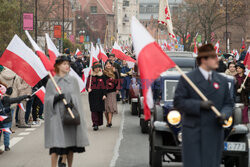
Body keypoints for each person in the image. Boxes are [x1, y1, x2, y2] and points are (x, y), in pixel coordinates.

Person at [174, 44, 234, 167]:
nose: (216, 60)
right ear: (203, 60)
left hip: (214, 132)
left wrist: (224, 114)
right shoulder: (188, 79)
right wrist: (199, 105)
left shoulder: (222, 81)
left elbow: (228, 103)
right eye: (213, 57)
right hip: (194, 132)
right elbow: (179, 102)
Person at [44, 56, 89, 167]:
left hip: (69, 116)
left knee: (70, 146)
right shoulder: (52, 82)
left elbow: (77, 98)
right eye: (64, 64)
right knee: (55, 146)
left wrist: (72, 104)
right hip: (56, 117)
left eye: (68, 64)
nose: (67, 66)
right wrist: (55, 99)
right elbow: (47, 101)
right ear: (58, 65)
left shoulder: (73, 81)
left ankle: (68, 164)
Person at [0, 82, 30, 151]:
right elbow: (17, 99)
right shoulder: (7, 99)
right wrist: (26, 96)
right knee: (6, 133)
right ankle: (6, 146)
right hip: (7, 119)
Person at [86, 62, 106, 131]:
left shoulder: (102, 76)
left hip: (100, 96)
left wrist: (104, 94)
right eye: (95, 68)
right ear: (93, 69)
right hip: (92, 95)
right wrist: (88, 89)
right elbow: (87, 85)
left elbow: (104, 86)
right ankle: (95, 123)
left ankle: (99, 122)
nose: (97, 69)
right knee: (94, 110)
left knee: (99, 110)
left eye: (98, 67)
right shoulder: (91, 76)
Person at [103, 60, 120, 127]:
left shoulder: (115, 72)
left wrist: (117, 89)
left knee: (110, 108)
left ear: (111, 65)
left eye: (109, 64)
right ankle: (108, 121)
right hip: (104, 92)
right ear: (105, 65)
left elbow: (118, 80)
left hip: (112, 91)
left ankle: (110, 122)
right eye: (107, 64)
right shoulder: (103, 72)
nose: (108, 65)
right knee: (105, 109)